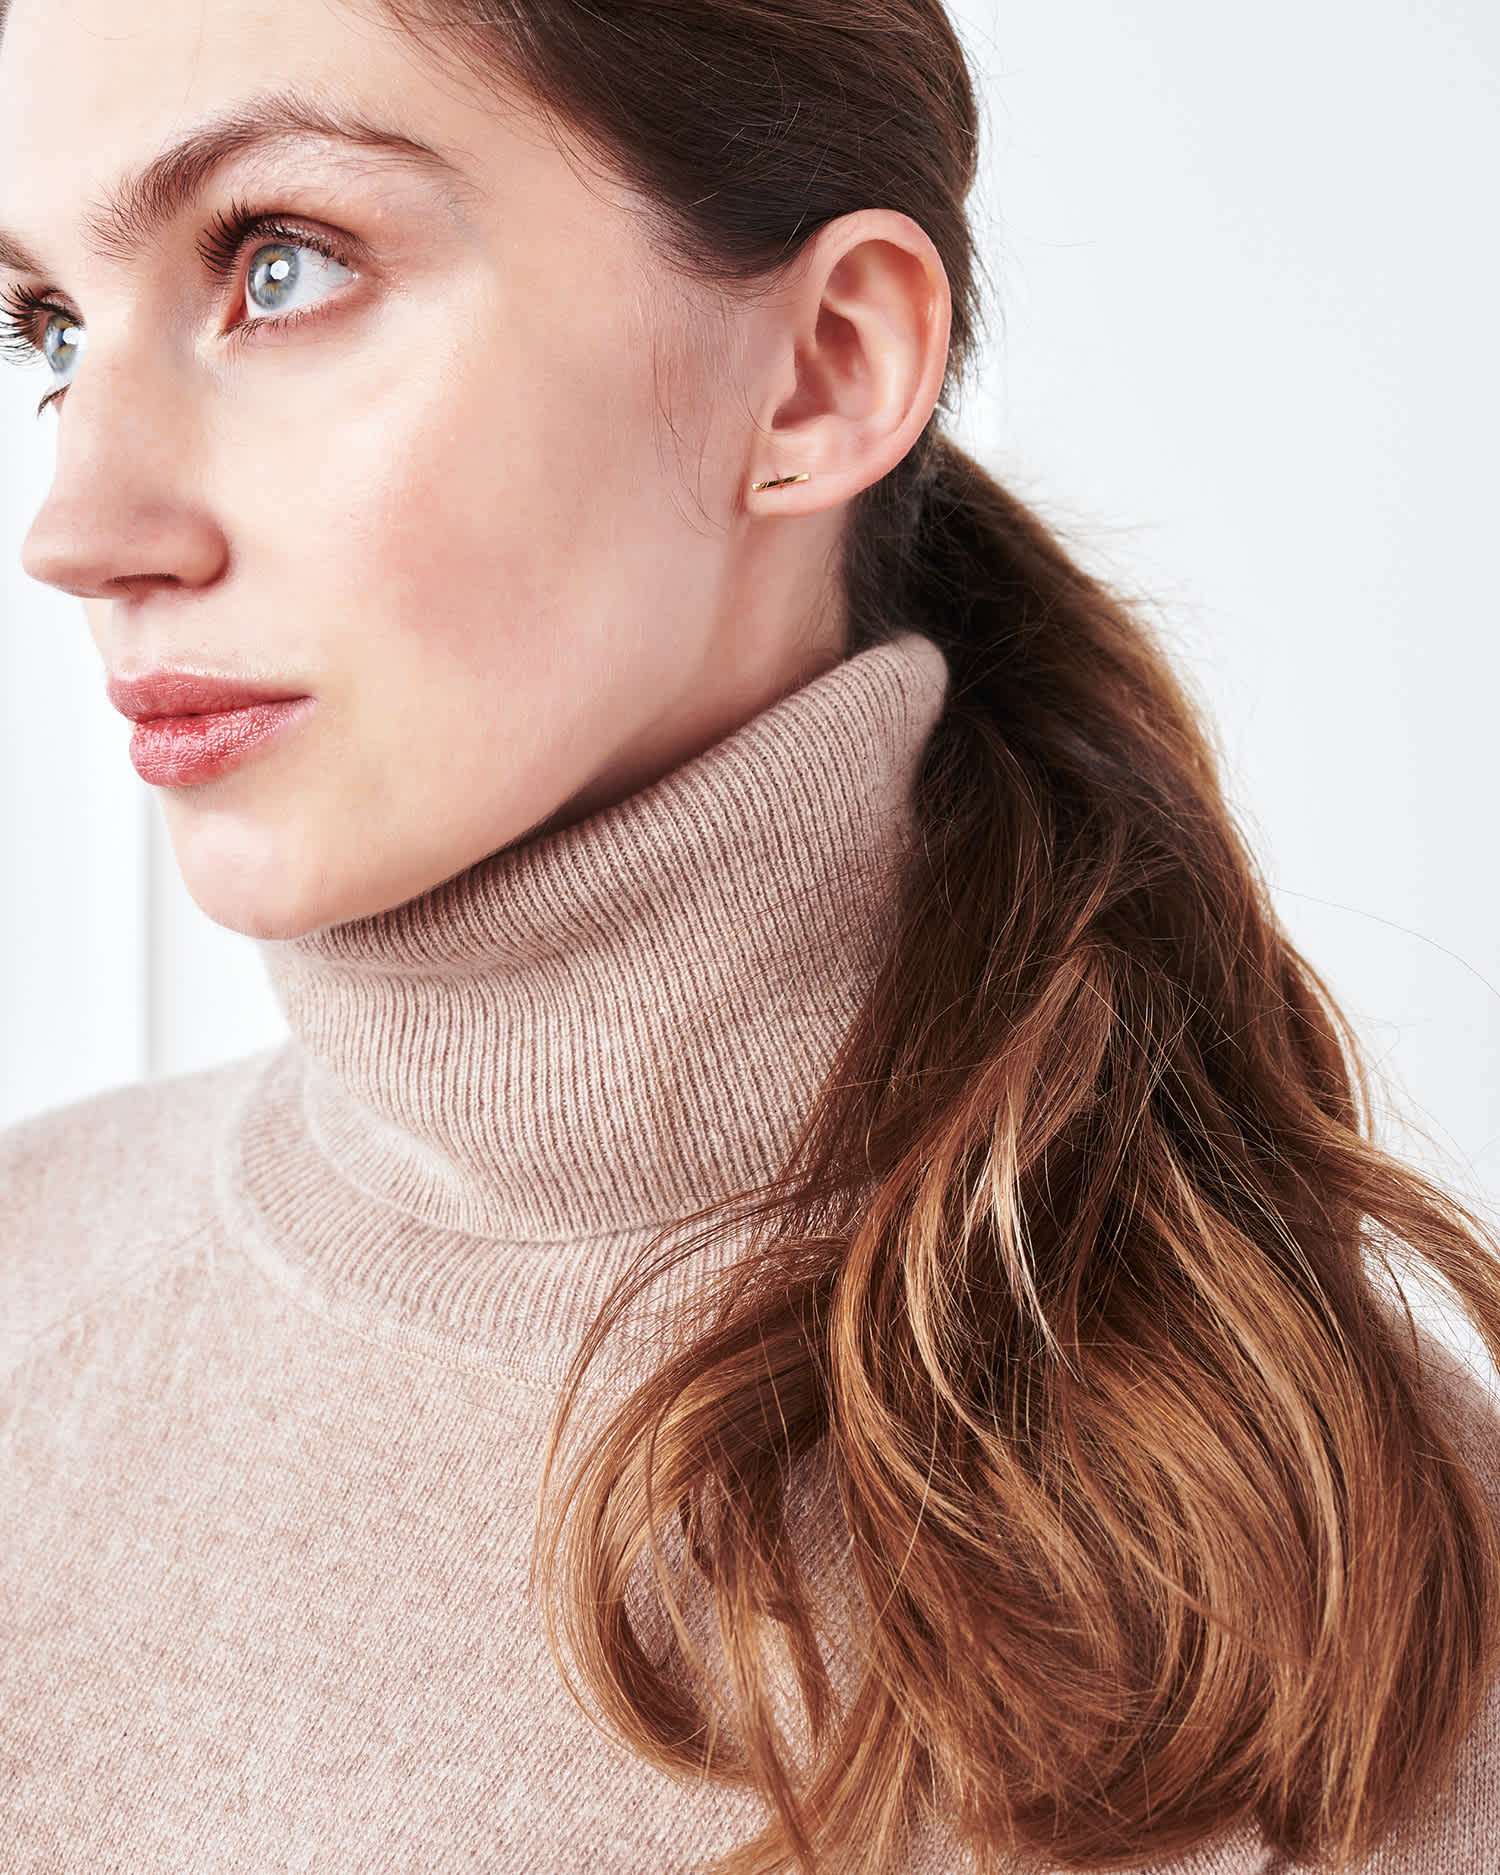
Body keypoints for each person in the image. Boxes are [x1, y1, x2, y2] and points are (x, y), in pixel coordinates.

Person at [1, 0, 1497, 1869]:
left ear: (821, 372)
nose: (79, 528)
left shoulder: (1349, 1575)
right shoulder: (24, 1281)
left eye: (281, 266)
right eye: (48, 328)